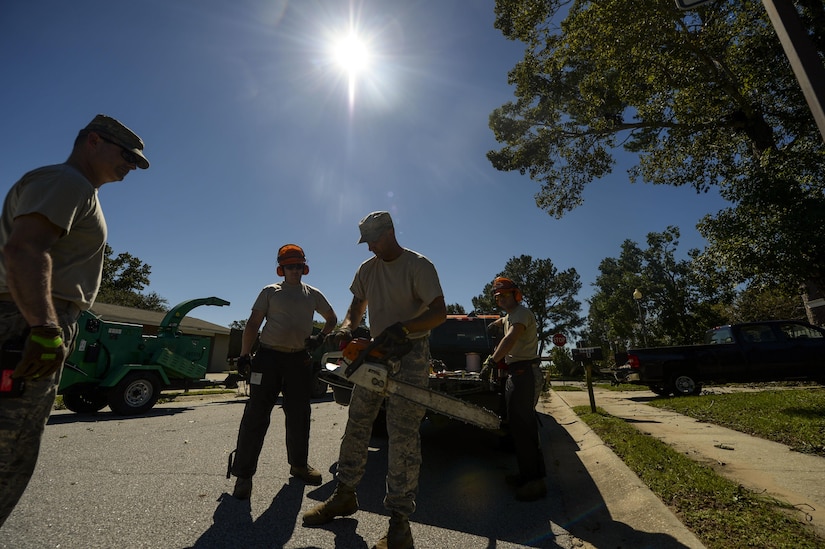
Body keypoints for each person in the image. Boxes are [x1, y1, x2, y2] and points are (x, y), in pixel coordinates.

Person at [0, 114, 149, 527]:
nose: (131, 166)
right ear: (94, 142)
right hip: (24, 324)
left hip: (27, 318)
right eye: (126, 156)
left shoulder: (80, 190)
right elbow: (25, 250)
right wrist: (46, 328)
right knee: (7, 456)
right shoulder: (68, 183)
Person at [302, 211, 446, 549]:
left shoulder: (418, 265)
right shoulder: (368, 269)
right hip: (377, 353)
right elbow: (356, 308)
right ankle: (344, 495)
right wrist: (348, 328)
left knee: (402, 435)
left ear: (391, 232)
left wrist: (406, 327)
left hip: (411, 352)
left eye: (375, 241)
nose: (370, 249)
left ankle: (399, 523)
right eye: (367, 243)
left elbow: (438, 311)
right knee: (357, 423)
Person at [229, 244, 337, 499]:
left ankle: (299, 465)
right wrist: (245, 355)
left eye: (298, 265)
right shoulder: (270, 292)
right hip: (267, 358)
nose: (294, 270)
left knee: (299, 414)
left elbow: (331, 318)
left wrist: (320, 338)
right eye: (290, 266)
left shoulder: (313, 294)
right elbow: (254, 323)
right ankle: (243, 476)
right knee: (256, 415)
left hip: (298, 360)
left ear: (304, 267)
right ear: (282, 268)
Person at [482, 277, 546, 501]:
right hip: (516, 373)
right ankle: (528, 474)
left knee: (524, 426)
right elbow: (504, 322)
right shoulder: (510, 316)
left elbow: (510, 339)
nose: (499, 298)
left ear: (514, 294)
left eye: (503, 295)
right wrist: (494, 323)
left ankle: (535, 483)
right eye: (497, 296)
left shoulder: (521, 314)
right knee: (518, 427)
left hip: (524, 373)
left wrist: (491, 360)